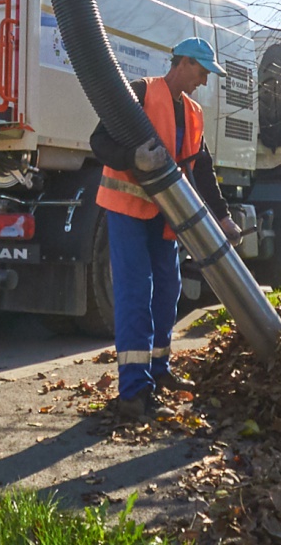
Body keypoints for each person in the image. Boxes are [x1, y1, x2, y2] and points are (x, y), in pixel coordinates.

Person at [90, 37, 242, 418]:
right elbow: (99, 141)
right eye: (202, 72)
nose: (204, 81)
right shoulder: (139, 93)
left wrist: (222, 216)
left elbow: (201, 167)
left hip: (165, 215)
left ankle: (159, 371)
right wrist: (132, 157)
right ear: (184, 63)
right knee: (135, 294)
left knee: (168, 290)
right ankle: (132, 393)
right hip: (127, 209)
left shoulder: (192, 112)